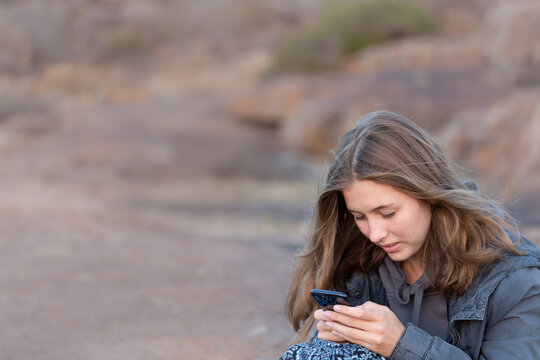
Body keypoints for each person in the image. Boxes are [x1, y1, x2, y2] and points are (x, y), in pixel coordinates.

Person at [280, 111, 540, 359]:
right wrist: (333, 343)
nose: (375, 234)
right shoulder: (357, 261)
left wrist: (401, 344)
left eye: (388, 213)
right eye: (360, 217)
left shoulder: (515, 278)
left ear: (428, 192)